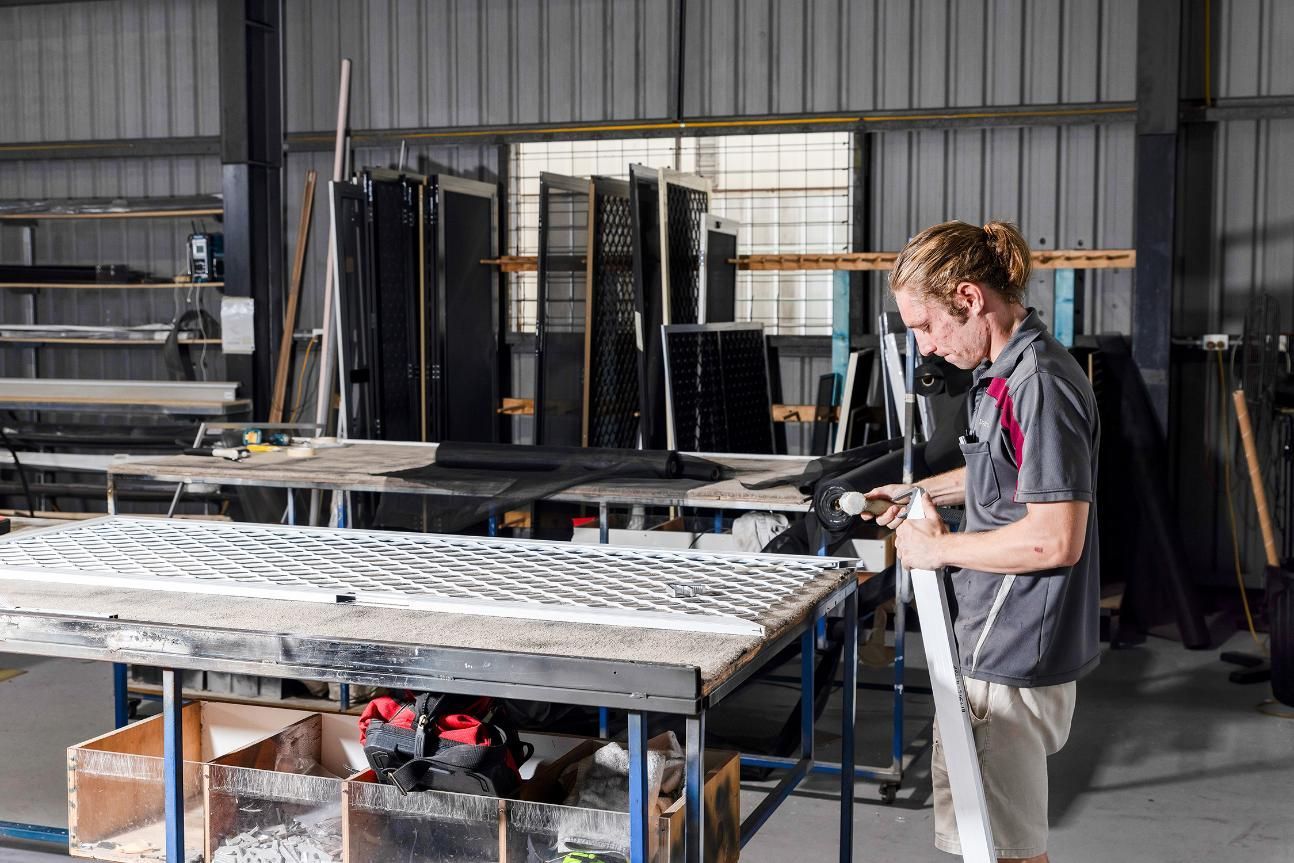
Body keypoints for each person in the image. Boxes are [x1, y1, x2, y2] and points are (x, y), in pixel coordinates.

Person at [863, 220, 1100, 863]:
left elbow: (1055, 539)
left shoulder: (1039, 386)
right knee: (985, 839)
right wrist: (921, 495)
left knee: (1005, 849)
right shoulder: (1009, 371)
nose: (924, 348)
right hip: (995, 633)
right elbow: (1002, 474)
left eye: (925, 326)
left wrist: (935, 550)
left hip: (1011, 643)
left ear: (969, 299)